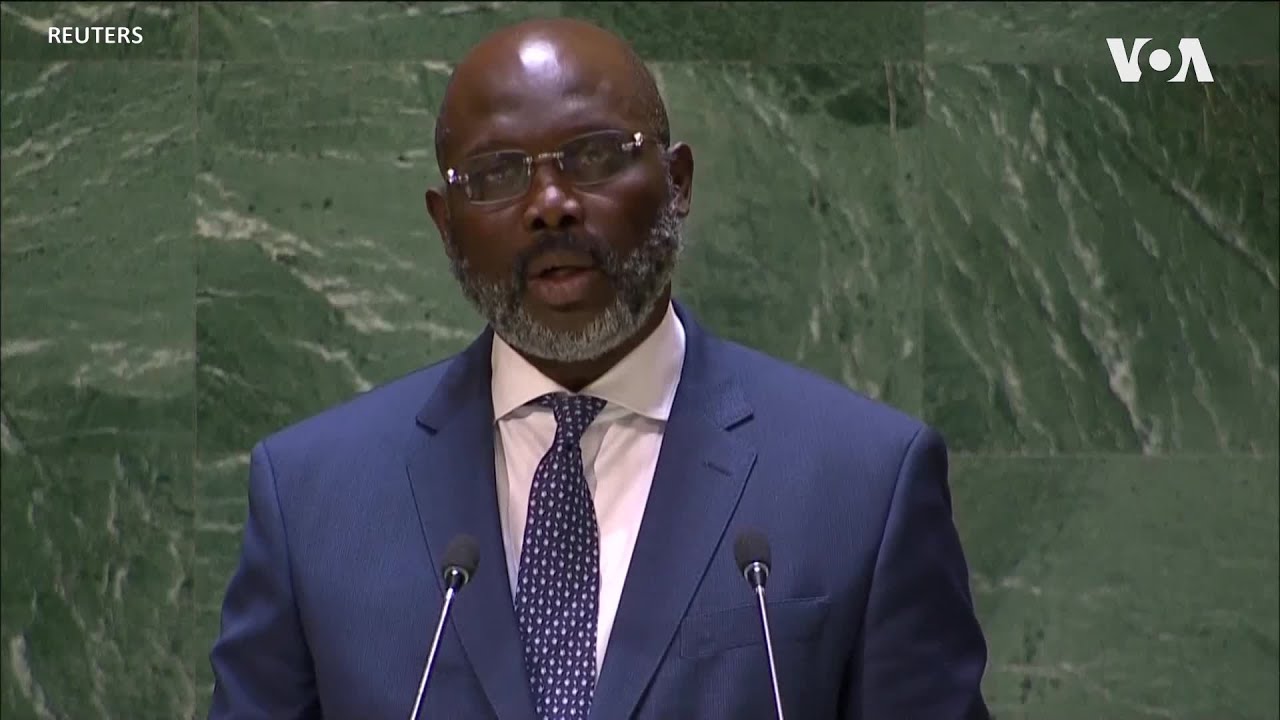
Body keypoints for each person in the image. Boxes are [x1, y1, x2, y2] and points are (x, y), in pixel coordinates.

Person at [208, 17, 990, 720]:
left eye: (594, 157)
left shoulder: (863, 481)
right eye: (497, 174)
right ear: (446, 226)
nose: (550, 203)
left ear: (678, 183)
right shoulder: (314, 498)